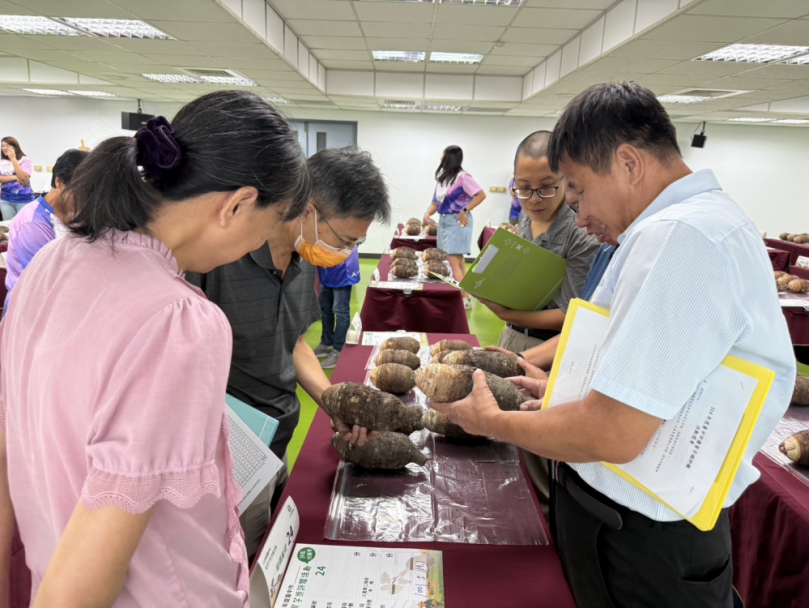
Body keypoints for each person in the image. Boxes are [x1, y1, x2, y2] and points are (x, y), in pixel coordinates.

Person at [428, 82, 796, 607]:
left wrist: (492, 423)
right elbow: (654, 378)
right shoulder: (684, 228)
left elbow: (617, 431)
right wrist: (557, 385)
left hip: (640, 538)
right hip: (630, 522)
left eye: (577, 191)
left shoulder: (682, 238)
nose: (578, 217)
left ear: (627, 162)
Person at [0, 90, 312, 606]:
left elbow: (8, 448)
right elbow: (84, 579)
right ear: (237, 206)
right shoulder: (181, 320)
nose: (259, 246)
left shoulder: (51, 263)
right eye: (268, 227)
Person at [186, 146, 390, 559]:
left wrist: (331, 399)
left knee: (268, 548)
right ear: (309, 210)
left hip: (277, 439)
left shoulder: (303, 257)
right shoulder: (216, 259)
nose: (349, 251)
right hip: (225, 452)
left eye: (358, 243)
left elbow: (293, 340)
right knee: (235, 559)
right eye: (347, 239)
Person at [478, 131, 599, 354]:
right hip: (510, 335)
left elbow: (568, 314)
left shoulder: (582, 234)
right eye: (524, 188)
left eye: (546, 187)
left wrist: (506, 314)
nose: (534, 199)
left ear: (565, 179)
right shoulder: (527, 215)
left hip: (549, 348)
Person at [3, 149, 89, 311]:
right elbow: (50, 281)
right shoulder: (32, 224)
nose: (87, 200)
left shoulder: (76, 212)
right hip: (31, 307)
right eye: (82, 193)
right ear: (60, 183)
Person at [422, 145, 486, 310]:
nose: (441, 160)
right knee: (459, 261)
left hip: (459, 222)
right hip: (444, 222)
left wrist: (465, 209)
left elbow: (481, 195)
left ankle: (462, 299)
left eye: (443, 157)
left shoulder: (463, 178)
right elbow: (435, 203)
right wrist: (427, 214)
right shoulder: (443, 180)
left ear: (450, 159)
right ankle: (466, 297)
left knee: (452, 261)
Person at [316, 246, 361, 369]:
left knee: (340, 309)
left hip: (342, 264)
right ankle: (326, 343)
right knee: (325, 306)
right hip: (326, 263)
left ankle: (338, 349)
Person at [0, 137, 36, 220]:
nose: (4, 148)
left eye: (7, 146)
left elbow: (23, 178)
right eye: (3, 146)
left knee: (23, 226)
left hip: (24, 199)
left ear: (15, 147)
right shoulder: (1, 162)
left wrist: (13, 159)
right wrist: (15, 177)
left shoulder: (25, 160)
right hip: (5, 199)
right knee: (8, 226)